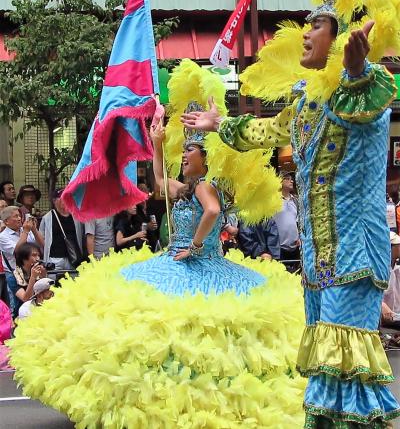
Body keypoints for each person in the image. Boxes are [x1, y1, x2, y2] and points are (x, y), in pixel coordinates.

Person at [181, 0, 400, 425]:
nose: (304, 32)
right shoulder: (304, 105)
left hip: (355, 249)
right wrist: (219, 125)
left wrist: (357, 70)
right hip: (319, 259)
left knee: (344, 363)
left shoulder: (368, 86)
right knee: (325, 368)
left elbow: (371, 98)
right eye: (305, 24)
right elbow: (265, 131)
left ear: (341, 37)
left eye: (315, 26)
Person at [8, 67, 306, 427]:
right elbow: (160, 183)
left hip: (201, 265)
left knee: (201, 332)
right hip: (175, 260)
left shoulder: (205, 186)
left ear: (205, 158)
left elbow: (212, 211)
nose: (186, 156)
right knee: (168, 331)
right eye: (186, 151)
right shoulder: (186, 186)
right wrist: (158, 143)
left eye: (191, 151)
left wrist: (195, 246)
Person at [0, 206, 44, 317]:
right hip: (15, 274)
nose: (19, 218)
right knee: (17, 305)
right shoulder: (2, 236)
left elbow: (42, 245)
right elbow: (18, 252)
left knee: (34, 303)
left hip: (32, 271)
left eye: (20, 215)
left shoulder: (27, 231)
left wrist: (33, 229)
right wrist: (25, 231)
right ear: (6, 221)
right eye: (15, 216)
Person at [39, 188, 84, 270]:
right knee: (53, 281)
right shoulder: (47, 218)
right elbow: (42, 238)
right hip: (55, 258)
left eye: (67, 197)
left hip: (73, 258)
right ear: (54, 200)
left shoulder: (76, 216)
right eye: (61, 197)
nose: (64, 199)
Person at [272, 172, 300, 263]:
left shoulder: (295, 200)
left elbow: (299, 222)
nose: (291, 181)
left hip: (296, 246)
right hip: (279, 247)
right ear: (280, 181)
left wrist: (300, 237)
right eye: (287, 178)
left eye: (291, 179)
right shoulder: (273, 200)